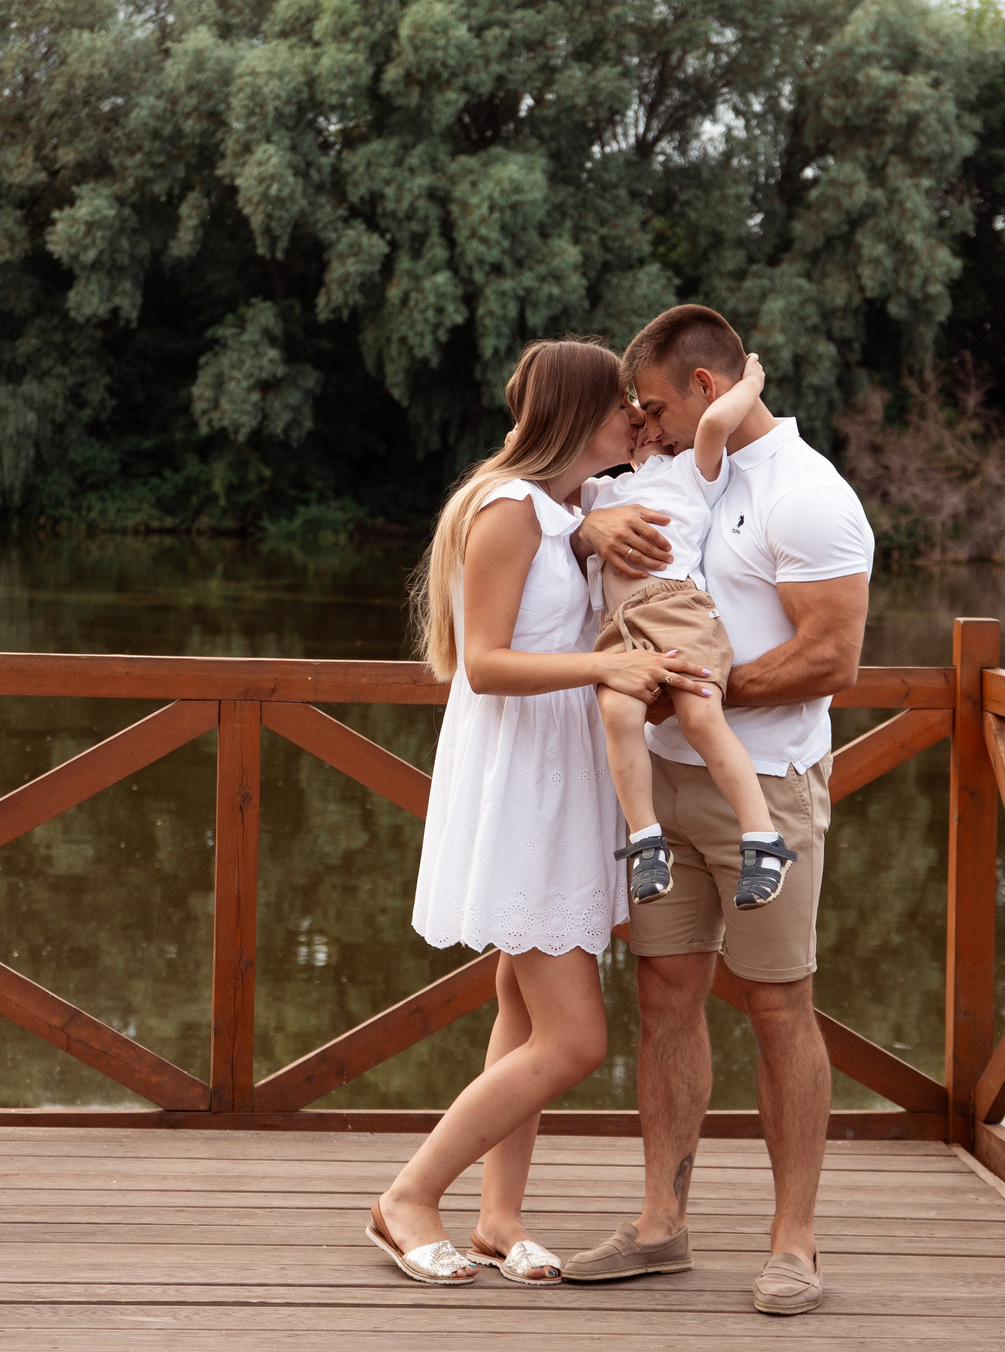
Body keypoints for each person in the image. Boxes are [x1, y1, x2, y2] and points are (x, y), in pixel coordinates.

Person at [368, 337, 717, 1289]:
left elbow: (659, 485)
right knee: (575, 1038)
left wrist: (589, 532)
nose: (639, 425)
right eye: (622, 411)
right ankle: (408, 1195)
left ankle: (497, 1215)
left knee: (523, 1012)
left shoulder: (566, 505)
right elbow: (482, 662)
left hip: (569, 776)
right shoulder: (506, 510)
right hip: (520, 778)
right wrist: (605, 664)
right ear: (574, 415)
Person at [562, 304, 873, 1318]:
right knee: (664, 996)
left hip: (766, 785)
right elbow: (540, 505)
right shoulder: (670, 475)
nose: (637, 426)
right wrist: (587, 521)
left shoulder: (808, 494)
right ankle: (661, 1225)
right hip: (656, 779)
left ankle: (795, 1243)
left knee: (780, 1002)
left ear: (704, 388)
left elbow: (832, 656)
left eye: (649, 405)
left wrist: (695, 690)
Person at [587, 352, 793, 913]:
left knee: (701, 715)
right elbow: (546, 490)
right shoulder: (598, 494)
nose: (650, 432)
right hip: (622, 627)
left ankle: (762, 837)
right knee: (618, 714)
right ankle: (646, 838)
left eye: (658, 422)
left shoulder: (692, 476)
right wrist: (586, 525)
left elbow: (712, 424)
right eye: (639, 424)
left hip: (677, 607)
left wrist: (751, 381)